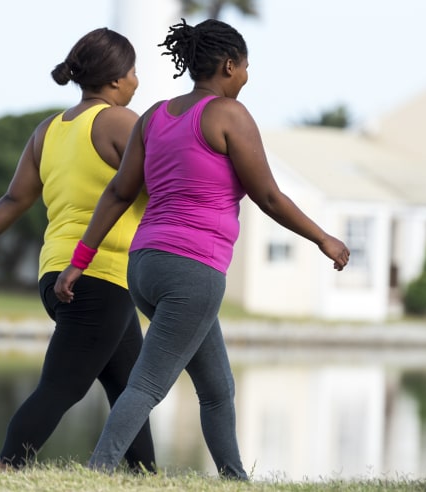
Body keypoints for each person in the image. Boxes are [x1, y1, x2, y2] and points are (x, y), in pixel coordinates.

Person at [55, 18, 350, 480]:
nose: (247, 78)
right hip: (193, 270)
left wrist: (78, 263)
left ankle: (235, 480)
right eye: (246, 68)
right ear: (229, 66)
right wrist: (323, 237)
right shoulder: (230, 115)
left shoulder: (154, 115)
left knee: (217, 388)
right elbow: (268, 195)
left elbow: (117, 193)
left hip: (144, 267)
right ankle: (98, 473)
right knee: (149, 383)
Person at [0, 27, 156, 473]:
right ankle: (5, 469)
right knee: (61, 386)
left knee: (128, 384)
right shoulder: (121, 122)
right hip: (99, 274)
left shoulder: (48, 130)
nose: (137, 80)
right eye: (133, 71)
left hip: (56, 271)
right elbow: (165, 182)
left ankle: (144, 476)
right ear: (115, 80)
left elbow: (14, 199)